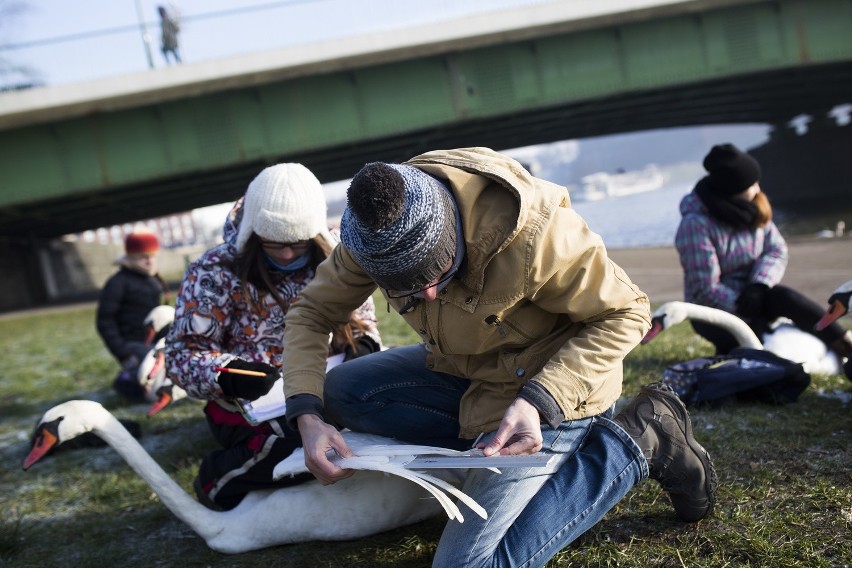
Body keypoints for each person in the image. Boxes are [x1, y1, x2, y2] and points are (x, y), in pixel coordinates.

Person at [281, 147, 717, 566]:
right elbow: (312, 313)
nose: (428, 294)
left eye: (438, 271)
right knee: (342, 392)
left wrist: (538, 400)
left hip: (550, 388)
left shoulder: (535, 233)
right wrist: (308, 418)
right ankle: (487, 457)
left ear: (450, 226)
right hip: (467, 371)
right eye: (409, 288)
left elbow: (627, 312)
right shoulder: (370, 238)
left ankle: (639, 440)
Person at [165, 163, 381, 511]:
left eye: (297, 244)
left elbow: (363, 320)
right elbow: (181, 356)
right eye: (273, 244)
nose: (285, 254)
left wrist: (365, 345)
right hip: (247, 403)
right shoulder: (214, 271)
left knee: (359, 435)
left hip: (321, 384)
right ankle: (217, 479)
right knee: (292, 444)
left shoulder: (339, 257)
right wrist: (228, 373)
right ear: (253, 233)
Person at [674, 143, 852, 376]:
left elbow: (776, 250)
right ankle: (741, 352)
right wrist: (743, 306)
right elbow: (704, 288)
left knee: (785, 297)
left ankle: (842, 342)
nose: (758, 187)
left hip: (753, 294)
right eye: (752, 183)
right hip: (714, 310)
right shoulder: (695, 225)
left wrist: (759, 285)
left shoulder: (753, 208)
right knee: (759, 348)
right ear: (732, 189)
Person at [97, 229, 169, 400]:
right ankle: (127, 381)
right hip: (134, 345)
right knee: (151, 387)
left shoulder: (152, 278)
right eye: (144, 256)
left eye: (153, 256)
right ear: (132, 256)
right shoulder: (118, 283)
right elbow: (105, 320)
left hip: (156, 342)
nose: (149, 261)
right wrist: (123, 352)